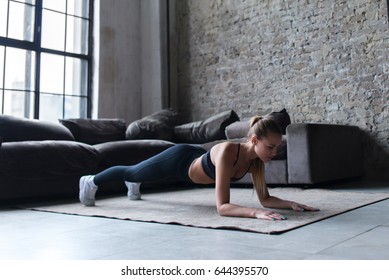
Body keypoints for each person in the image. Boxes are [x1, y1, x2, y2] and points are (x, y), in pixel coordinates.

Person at [79, 116, 319, 220]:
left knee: (138, 174)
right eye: (271, 147)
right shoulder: (228, 151)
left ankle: (135, 182)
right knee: (132, 171)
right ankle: (91, 181)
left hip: (197, 156)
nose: (274, 153)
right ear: (254, 141)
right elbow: (222, 207)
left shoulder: (256, 161)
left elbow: (265, 199)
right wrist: (254, 213)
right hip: (179, 162)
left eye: (277, 147)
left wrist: (290, 204)